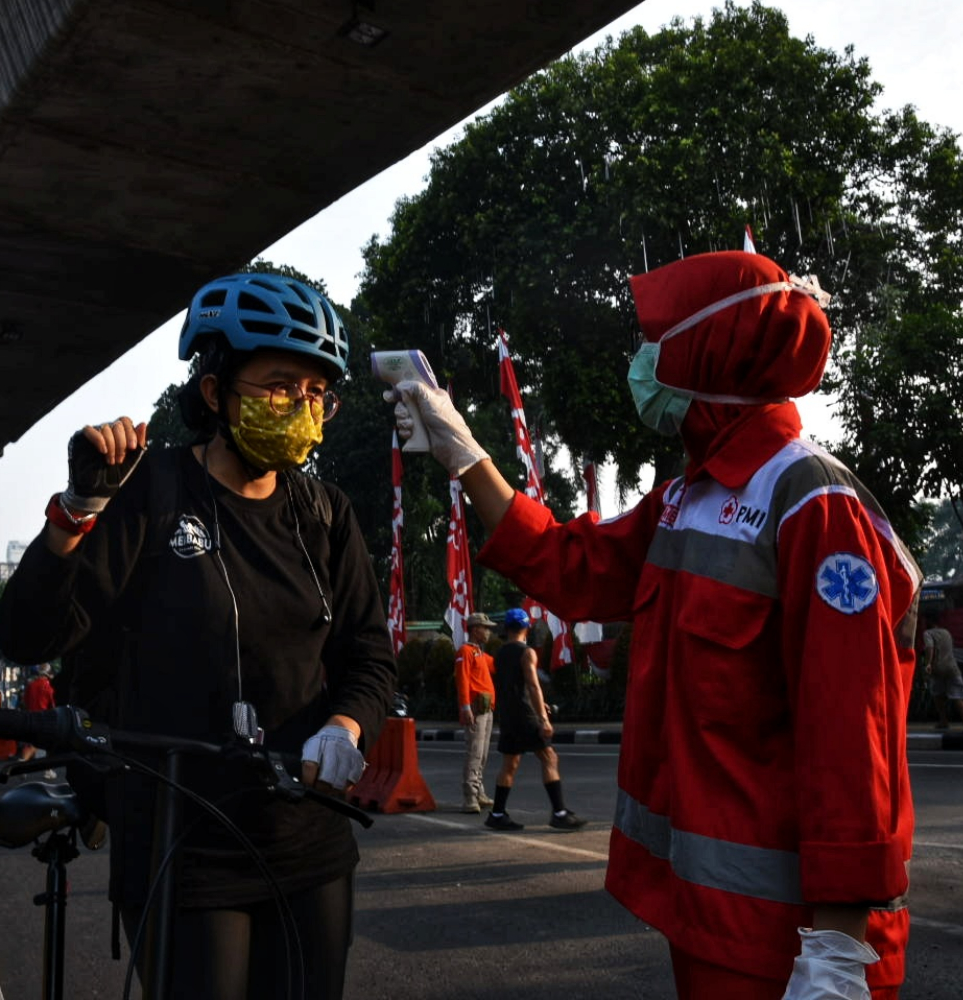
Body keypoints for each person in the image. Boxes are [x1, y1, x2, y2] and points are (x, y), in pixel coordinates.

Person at [389, 251, 917, 999]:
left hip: (800, 948)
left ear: (710, 348)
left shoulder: (813, 504)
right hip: (709, 923)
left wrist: (837, 949)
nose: (643, 360)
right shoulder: (683, 500)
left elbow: (850, 736)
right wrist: (463, 451)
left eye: (656, 340)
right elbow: (567, 565)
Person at [0, 272, 396, 1000]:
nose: (301, 408)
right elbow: (27, 634)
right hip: (182, 844)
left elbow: (368, 653)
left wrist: (345, 725)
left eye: (316, 394)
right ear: (214, 391)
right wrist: (79, 508)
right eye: (280, 386)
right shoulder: (150, 491)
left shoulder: (326, 514)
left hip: (309, 843)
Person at [486, 608, 586, 832]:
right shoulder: (527, 652)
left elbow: (510, 686)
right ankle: (559, 813)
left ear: (506, 628)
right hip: (526, 715)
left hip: (508, 716)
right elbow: (532, 685)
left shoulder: (499, 654)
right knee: (549, 756)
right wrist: (543, 717)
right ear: (526, 627)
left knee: (510, 763)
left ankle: (497, 813)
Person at [454, 611, 496, 814]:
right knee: (474, 753)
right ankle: (469, 796)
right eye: (485, 628)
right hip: (476, 710)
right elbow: (462, 681)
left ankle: (479, 791)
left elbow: (497, 665)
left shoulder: (480, 653)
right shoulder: (465, 651)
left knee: (484, 754)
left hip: (487, 709)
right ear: (475, 629)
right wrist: (465, 708)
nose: (488, 632)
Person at [922, 615, 963, 734]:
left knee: (937, 694)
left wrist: (928, 664)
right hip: (952, 667)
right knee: (958, 696)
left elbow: (930, 648)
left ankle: (944, 720)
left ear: (928, 621)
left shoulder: (928, 633)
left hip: (937, 669)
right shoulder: (946, 632)